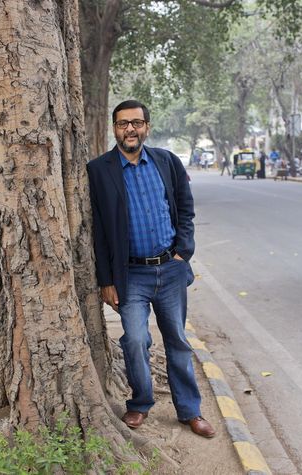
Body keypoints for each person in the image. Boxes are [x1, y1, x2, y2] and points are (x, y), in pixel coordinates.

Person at [87, 100, 215, 438]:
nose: (130, 129)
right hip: (130, 275)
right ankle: (141, 402)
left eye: (136, 123)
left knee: (177, 340)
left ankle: (190, 410)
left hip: (170, 270)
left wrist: (183, 251)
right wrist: (106, 279)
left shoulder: (166, 161)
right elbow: (97, 229)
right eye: (123, 123)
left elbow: (185, 207)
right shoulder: (99, 170)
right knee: (136, 340)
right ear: (114, 128)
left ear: (147, 127)